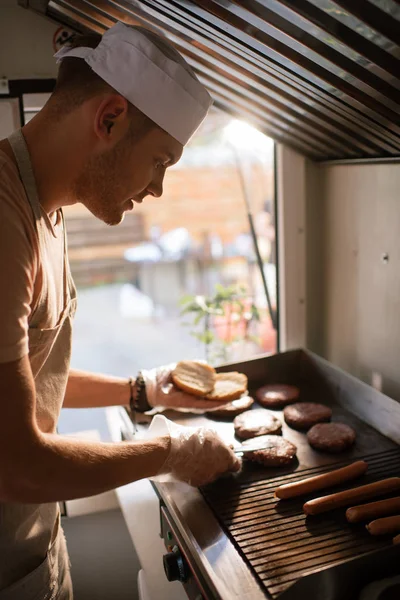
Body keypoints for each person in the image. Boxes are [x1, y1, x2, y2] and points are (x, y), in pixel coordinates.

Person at [0, 22, 240, 599]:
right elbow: (15, 463)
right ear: (109, 120)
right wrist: (169, 450)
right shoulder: (4, 222)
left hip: (29, 552)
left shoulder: (46, 212)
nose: (157, 189)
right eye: (160, 160)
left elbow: (28, 380)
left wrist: (141, 391)